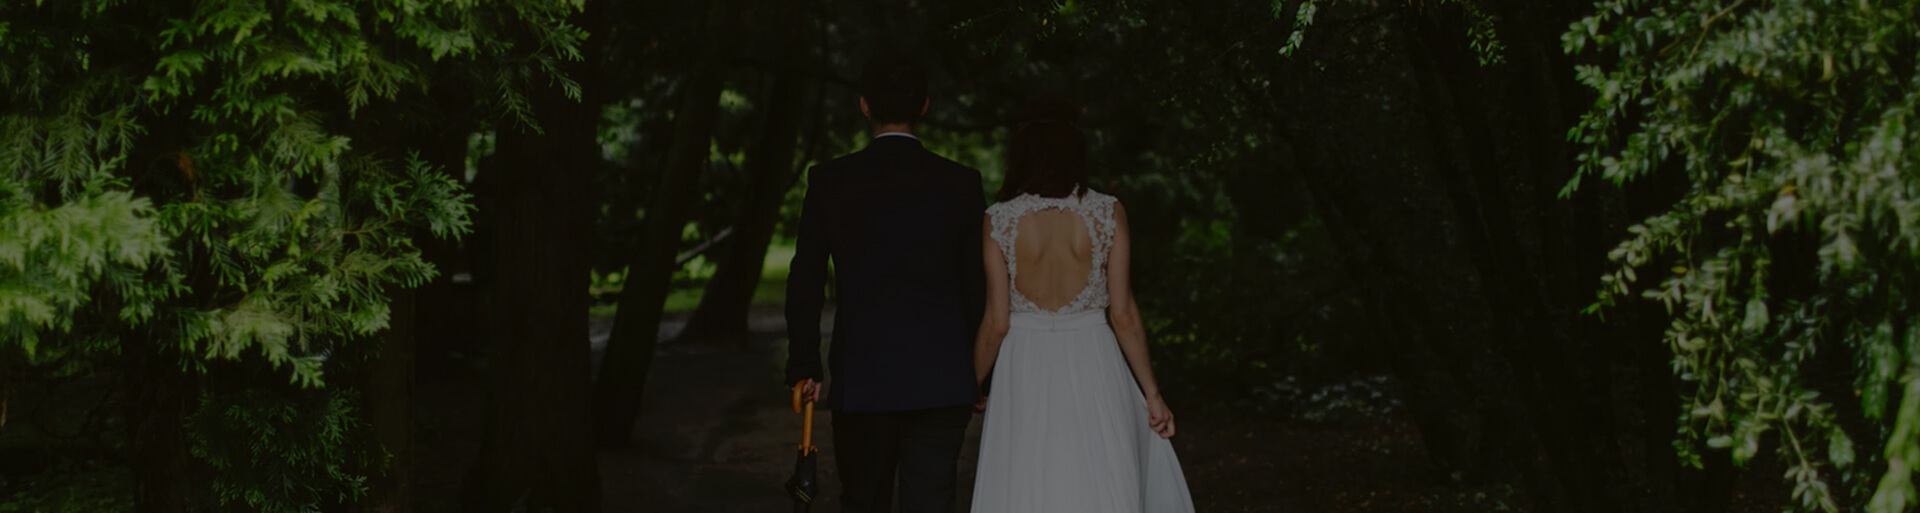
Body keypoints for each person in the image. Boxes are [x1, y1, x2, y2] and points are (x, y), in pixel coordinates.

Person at [969, 94, 1196, 512]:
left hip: (1025, 360)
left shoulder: (998, 218)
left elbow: (996, 322)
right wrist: (1152, 393)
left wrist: (970, 383)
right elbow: (1123, 313)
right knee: (1098, 471)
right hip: (1093, 354)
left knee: (1024, 474)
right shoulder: (1108, 212)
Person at [784, 52, 987, 513]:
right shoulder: (961, 183)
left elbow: (806, 278)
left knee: (863, 501)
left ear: (864, 106)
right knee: (932, 503)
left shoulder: (830, 181)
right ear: (925, 106)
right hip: (942, 379)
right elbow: (976, 286)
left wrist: (804, 364)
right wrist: (981, 375)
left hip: (863, 377)